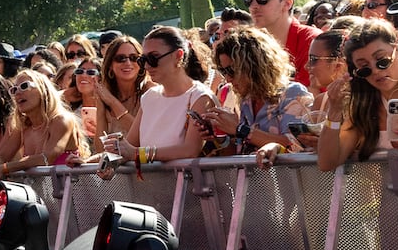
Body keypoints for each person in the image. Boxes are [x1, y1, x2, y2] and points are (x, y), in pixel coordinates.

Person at [317, 18, 398, 171]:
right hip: (387, 193)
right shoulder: (362, 112)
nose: (376, 70)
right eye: (364, 68)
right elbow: (327, 163)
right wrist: (334, 112)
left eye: (382, 60)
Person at [108, 27, 216, 164]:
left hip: (188, 184)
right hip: (149, 185)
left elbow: (190, 150)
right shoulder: (150, 97)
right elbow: (128, 148)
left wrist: (138, 153)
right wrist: (86, 162)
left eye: (153, 58)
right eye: (143, 60)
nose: (146, 66)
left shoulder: (200, 97)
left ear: (178, 55)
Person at [205, 25, 313, 161]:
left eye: (231, 70)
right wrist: (219, 134)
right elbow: (242, 152)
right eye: (223, 71)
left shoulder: (292, 93)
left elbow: (295, 144)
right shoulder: (246, 100)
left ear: (254, 66)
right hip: (256, 181)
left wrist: (240, 129)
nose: (228, 78)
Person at [0, 68, 89, 183]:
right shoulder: (23, 127)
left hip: (73, 194)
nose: (18, 93)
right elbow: (1, 156)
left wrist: (4, 168)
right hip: (42, 196)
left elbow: (47, 158)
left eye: (24, 86)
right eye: (14, 90)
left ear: (42, 90)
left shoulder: (61, 120)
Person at [235, 0, 319, 87]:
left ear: (287, 4)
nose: (253, 5)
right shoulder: (250, 45)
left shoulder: (312, 41)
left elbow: (310, 96)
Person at [96, 36, 151, 140]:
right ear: (110, 65)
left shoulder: (150, 91)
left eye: (134, 58)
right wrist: (101, 105)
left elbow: (142, 136)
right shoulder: (105, 94)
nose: (128, 63)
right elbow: (100, 147)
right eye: (120, 58)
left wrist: (113, 103)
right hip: (114, 156)